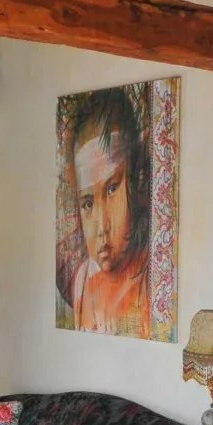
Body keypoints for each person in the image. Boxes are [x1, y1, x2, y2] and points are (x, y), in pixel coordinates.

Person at [62, 88, 151, 336]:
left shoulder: (150, 275)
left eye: (112, 189)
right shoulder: (83, 280)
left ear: (135, 178)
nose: (102, 226)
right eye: (88, 203)